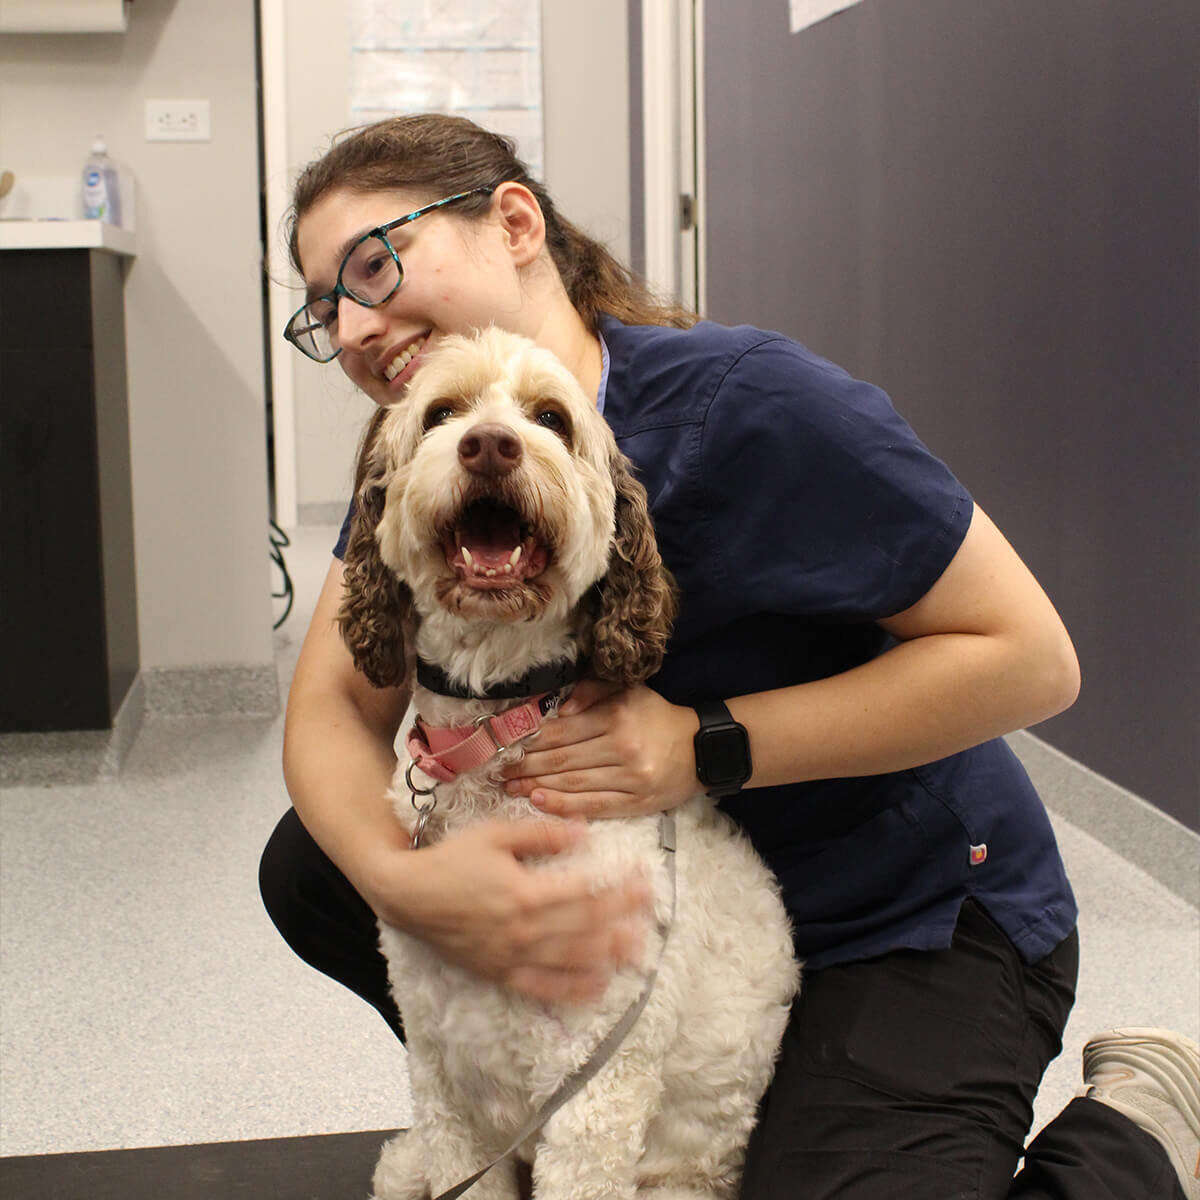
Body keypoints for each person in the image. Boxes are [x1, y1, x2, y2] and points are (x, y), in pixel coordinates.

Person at [259, 113, 1199, 1200]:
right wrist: (402, 880)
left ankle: (1141, 1118)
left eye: (377, 264)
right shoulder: (430, 453)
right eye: (327, 310)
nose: (360, 324)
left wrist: (702, 746)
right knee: (315, 866)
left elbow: (1033, 661)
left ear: (514, 222)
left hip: (899, 913)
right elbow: (333, 702)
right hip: (664, 915)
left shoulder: (752, 404)